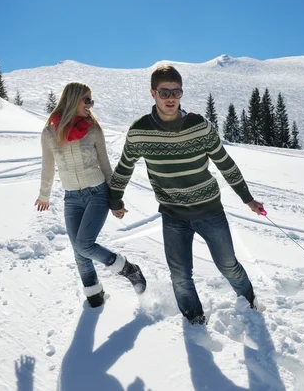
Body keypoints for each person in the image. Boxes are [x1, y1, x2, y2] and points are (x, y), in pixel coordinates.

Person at [109, 65, 264, 324]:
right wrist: (115, 200)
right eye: (164, 92)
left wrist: (247, 198)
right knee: (180, 275)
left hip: (210, 211)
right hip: (172, 215)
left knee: (228, 266)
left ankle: (251, 306)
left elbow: (224, 162)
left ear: (181, 93)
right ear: (153, 93)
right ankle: (194, 322)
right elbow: (125, 166)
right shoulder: (140, 131)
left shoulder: (199, 126)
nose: (170, 97)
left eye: (176, 91)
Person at [35, 82, 146, 308]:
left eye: (91, 100)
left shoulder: (93, 129)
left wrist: (116, 200)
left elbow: (105, 166)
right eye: (87, 100)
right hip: (71, 198)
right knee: (79, 251)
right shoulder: (49, 133)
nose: (91, 105)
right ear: (73, 99)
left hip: (97, 193)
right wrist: (44, 195)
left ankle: (129, 270)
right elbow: (48, 166)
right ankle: (94, 296)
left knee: (84, 244)